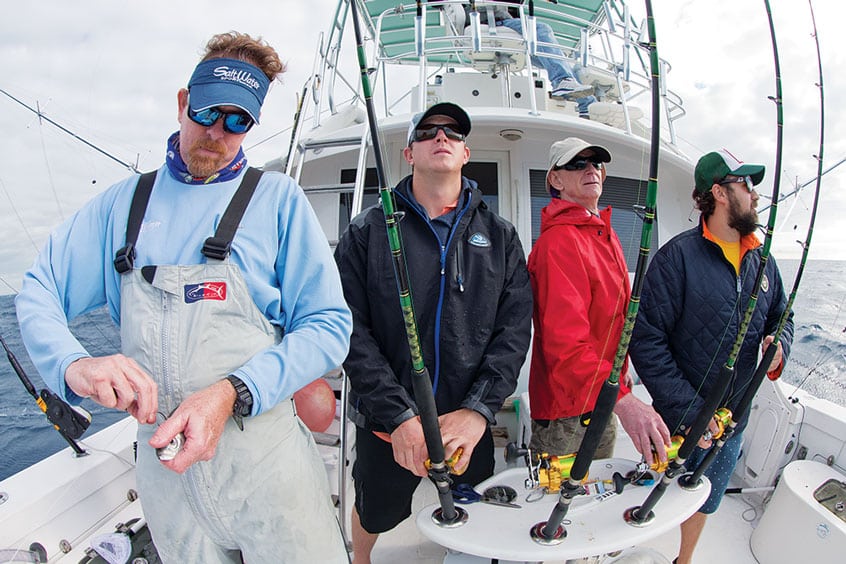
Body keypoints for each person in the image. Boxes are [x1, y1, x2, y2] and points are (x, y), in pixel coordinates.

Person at [15, 32, 351, 563]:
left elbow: (329, 325)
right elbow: (39, 289)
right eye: (208, 112)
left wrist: (231, 393)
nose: (217, 134)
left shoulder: (280, 199)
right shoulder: (120, 206)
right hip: (168, 486)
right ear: (181, 103)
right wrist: (74, 365)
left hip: (267, 473)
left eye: (238, 121)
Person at [335, 102, 532, 564]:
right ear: (409, 153)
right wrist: (398, 417)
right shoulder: (367, 230)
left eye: (452, 133)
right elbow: (348, 329)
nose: (440, 137)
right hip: (388, 426)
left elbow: (513, 331)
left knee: (470, 510)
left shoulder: (501, 236)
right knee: (374, 510)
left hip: (467, 426)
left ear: (465, 153)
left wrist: (479, 412)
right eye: (427, 132)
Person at [629, 149, 794, 564]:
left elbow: (782, 314)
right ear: (719, 193)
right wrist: (690, 413)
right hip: (679, 419)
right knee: (655, 494)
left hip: (733, 420)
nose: (755, 196)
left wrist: (779, 343)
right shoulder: (676, 258)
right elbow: (647, 342)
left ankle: (683, 560)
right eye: (746, 185)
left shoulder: (763, 258)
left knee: (707, 500)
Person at [527, 137, 671, 466]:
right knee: (557, 512)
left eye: (596, 164)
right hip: (568, 414)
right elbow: (565, 346)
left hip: (600, 398)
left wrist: (620, 377)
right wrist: (622, 398)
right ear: (555, 179)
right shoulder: (559, 242)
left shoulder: (602, 233)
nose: (590, 169)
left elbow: (610, 319)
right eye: (577, 164)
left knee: (591, 502)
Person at [463, 1, 596, 117]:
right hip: (491, 20)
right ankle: (562, 82)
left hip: (498, 20)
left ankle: (587, 106)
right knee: (541, 29)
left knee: (554, 57)